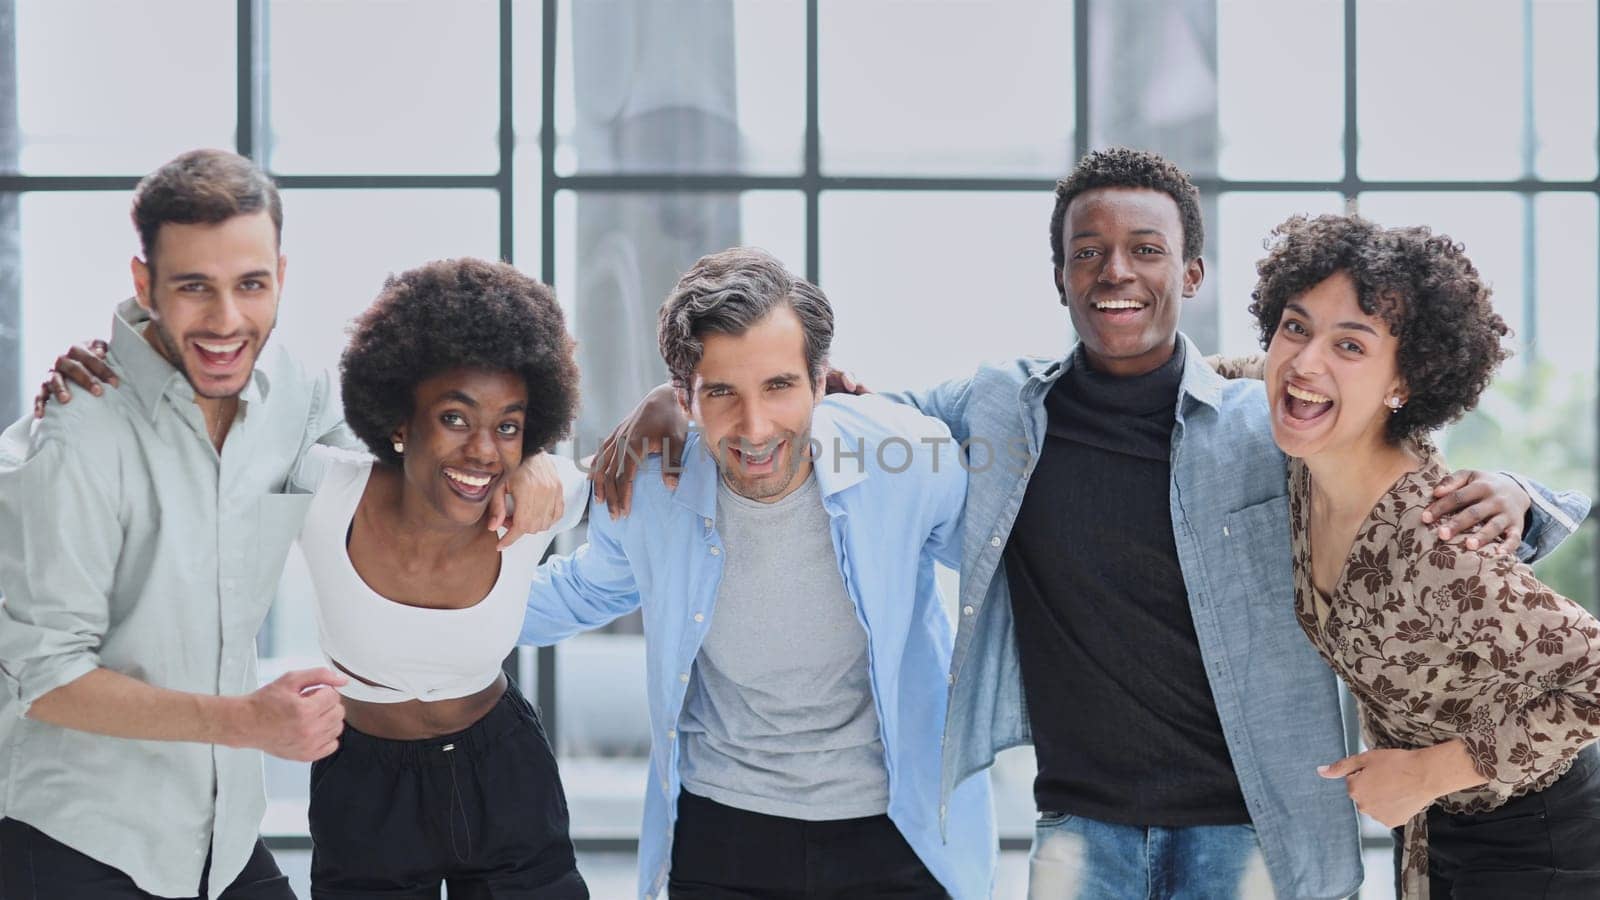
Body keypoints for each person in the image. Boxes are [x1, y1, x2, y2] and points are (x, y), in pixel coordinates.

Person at [585, 149, 1587, 899]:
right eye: (1088, 251)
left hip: (1253, 825)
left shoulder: (1263, 420)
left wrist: (1526, 497)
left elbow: (1402, 467)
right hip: (1079, 826)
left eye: (1145, 249)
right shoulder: (994, 408)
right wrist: (672, 399)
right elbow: (821, 405)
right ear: (1059, 274)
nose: (1116, 270)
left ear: (1188, 274)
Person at [3, 149, 567, 899]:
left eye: (251, 285)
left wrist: (535, 463)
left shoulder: (291, 402)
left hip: (221, 837)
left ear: (281, 277)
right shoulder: (75, 438)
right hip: (83, 835)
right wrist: (248, 724)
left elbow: (421, 450)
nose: (226, 319)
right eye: (193, 287)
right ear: (144, 285)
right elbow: (42, 678)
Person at [521, 247, 994, 899]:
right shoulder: (655, 487)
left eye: (779, 386)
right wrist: (424, 606)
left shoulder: (906, 460)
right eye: (722, 392)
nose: (755, 426)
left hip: (897, 835)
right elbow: (580, 591)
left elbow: (1004, 562)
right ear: (684, 395)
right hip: (726, 835)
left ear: (820, 380)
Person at [1249, 213, 1600, 899]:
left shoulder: (1436, 539)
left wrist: (1428, 774)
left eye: (1350, 345)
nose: (1306, 362)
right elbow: (1218, 375)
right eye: (1295, 327)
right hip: (1441, 837)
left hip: (1544, 845)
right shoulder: (1308, 460)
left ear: (1403, 382)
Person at [297, 258, 589, 898]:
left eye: (508, 427)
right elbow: (231, 418)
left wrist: (543, 459)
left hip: (503, 770)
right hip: (365, 789)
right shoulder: (326, 496)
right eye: (455, 417)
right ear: (399, 420)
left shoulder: (535, 503)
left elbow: (629, 455)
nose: (484, 451)